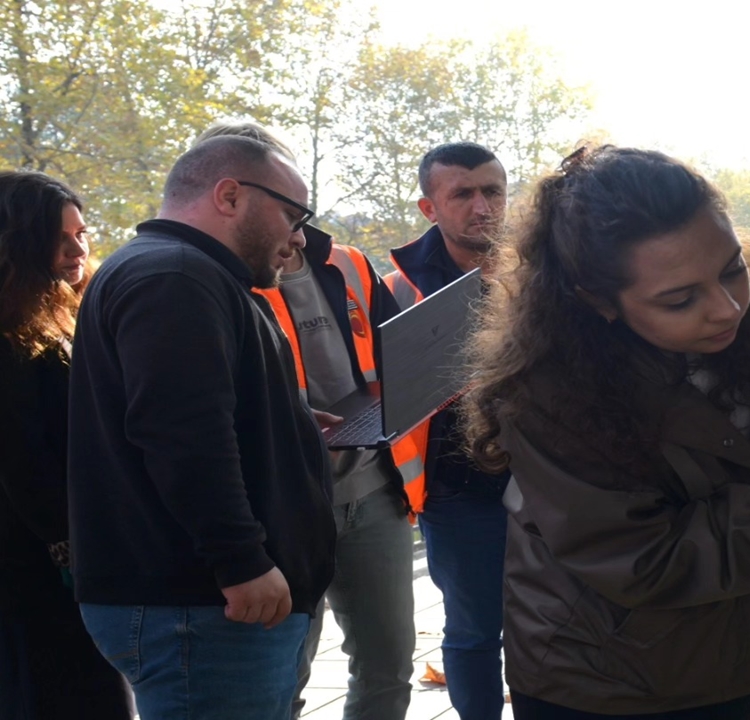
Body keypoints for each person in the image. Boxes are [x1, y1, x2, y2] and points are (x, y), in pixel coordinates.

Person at [461, 146, 750, 719]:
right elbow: (641, 558)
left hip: (744, 651)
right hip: (605, 681)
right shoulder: (547, 395)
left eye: (733, 269)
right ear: (596, 300)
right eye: (680, 299)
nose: (727, 308)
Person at [67, 135, 337, 719]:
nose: (299, 239)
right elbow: (181, 436)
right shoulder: (176, 277)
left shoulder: (183, 273)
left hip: (204, 607)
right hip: (201, 607)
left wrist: (281, 421)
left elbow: (188, 410)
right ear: (231, 195)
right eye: (293, 215)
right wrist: (241, 561)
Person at [194, 121, 423, 720]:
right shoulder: (218, 281)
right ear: (234, 194)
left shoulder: (348, 264)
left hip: (373, 492)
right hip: (283, 509)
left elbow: (398, 363)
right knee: (281, 678)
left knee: (388, 664)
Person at [383, 141, 510, 719]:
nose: (482, 206)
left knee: (561, 620)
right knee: (474, 630)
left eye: (493, 191)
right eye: (463, 193)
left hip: (559, 476)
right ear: (429, 208)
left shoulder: (545, 271)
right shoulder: (395, 289)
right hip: (455, 487)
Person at [0, 171, 131, 720]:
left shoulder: (61, 312)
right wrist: (69, 549)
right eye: (61, 238)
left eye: (81, 233)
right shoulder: (9, 336)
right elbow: (20, 459)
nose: (78, 249)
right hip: (31, 561)